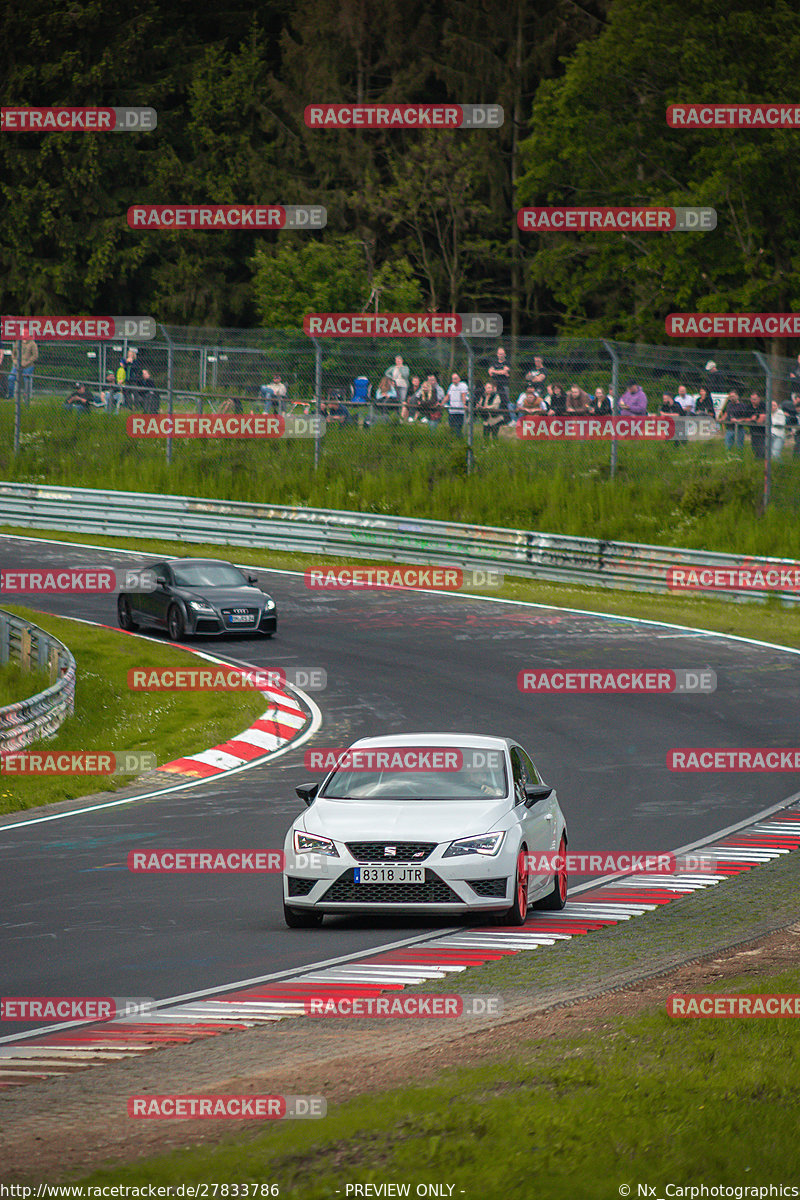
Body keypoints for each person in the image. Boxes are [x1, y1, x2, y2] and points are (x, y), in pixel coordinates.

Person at [7, 329, 38, 400]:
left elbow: (35, 356)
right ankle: (10, 396)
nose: (23, 334)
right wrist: (15, 362)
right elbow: (13, 354)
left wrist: (26, 363)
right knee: (11, 378)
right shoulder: (18, 342)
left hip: (27, 366)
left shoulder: (32, 344)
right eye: (23, 333)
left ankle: (26, 397)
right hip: (16, 365)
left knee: (26, 381)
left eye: (25, 333)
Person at [743, 391, 766, 459]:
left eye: (755, 399)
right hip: (753, 430)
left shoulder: (763, 405)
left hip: (762, 431)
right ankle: (757, 459)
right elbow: (746, 418)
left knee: (761, 446)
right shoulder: (749, 407)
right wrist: (753, 419)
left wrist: (754, 420)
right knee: (754, 446)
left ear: (759, 399)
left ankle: (762, 459)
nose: (753, 401)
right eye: (752, 399)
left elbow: (762, 419)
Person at [487, 346, 510, 411]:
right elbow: (490, 372)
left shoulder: (507, 363)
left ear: (505, 354)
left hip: (504, 386)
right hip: (495, 386)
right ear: (497, 354)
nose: (501, 355)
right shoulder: (494, 362)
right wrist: (500, 371)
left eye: (502, 354)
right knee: (494, 402)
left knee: (505, 403)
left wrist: (495, 371)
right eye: (499, 354)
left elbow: (505, 371)